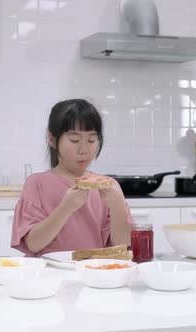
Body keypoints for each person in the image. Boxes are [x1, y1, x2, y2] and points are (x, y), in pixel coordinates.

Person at [11, 99, 133, 256]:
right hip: (49, 274)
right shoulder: (37, 183)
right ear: (52, 140)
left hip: (92, 273)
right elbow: (34, 244)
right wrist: (65, 208)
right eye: (74, 140)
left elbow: (122, 245)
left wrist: (118, 207)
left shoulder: (110, 186)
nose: (84, 150)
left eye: (91, 140)